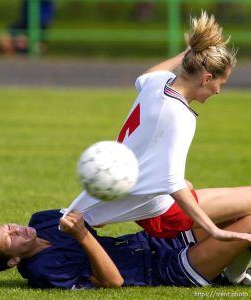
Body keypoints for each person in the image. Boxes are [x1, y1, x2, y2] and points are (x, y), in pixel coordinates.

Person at [64, 11, 251, 244]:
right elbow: (171, 181)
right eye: (219, 84)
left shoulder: (159, 83)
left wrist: (187, 54)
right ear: (206, 78)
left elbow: (145, 76)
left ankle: (232, 268)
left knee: (199, 189)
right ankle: (229, 268)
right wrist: (214, 230)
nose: (218, 91)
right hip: (162, 212)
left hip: (141, 195)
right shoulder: (180, 115)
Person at [0, 208, 251, 289]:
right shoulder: (43, 270)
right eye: (11, 238)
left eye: (9, 226)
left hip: (157, 240)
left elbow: (93, 216)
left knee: (240, 211)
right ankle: (231, 273)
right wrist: (82, 235)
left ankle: (234, 274)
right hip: (167, 270)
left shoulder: (41, 221)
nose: (17, 228)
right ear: (13, 260)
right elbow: (113, 282)